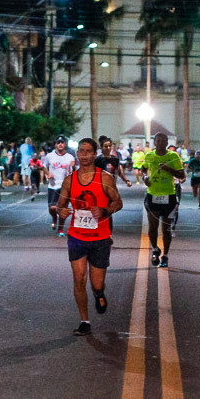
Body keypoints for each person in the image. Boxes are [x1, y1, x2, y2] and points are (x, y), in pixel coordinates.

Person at [56, 138, 123, 336]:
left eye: (88, 151)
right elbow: (60, 204)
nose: (84, 155)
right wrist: (62, 211)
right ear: (77, 154)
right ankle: (84, 320)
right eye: (81, 151)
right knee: (78, 278)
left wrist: (104, 210)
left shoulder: (105, 178)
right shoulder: (70, 180)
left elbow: (118, 203)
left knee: (97, 283)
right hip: (77, 236)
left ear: (95, 154)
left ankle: (99, 294)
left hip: (100, 237)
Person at [142, 133, 185, 267]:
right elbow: (144, 169)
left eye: (163, 140)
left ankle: (165, 255)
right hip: (153, 194)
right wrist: (145, 178)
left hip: (169, 195)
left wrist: (168, 169)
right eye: (158, 140)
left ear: (167, 142)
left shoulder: (173, 156)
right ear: (154, 142)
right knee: (153, 226)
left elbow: (181, 174)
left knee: (166, 228)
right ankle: (155, 249)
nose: (160, 142)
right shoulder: (149, 155)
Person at [43, 136, 78, 236]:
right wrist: (48, 173)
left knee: (63, 209)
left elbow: (74, 170)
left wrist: (73, 169)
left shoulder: (70, 157)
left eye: (62, 142)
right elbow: (44, 166)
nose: (60, 144)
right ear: (55, 145)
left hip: (65, 187)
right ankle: (54, 218)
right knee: (52, 208)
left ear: (65, 144)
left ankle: (61, 229)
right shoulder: (50, 156)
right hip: (53, 185)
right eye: (58, 142)